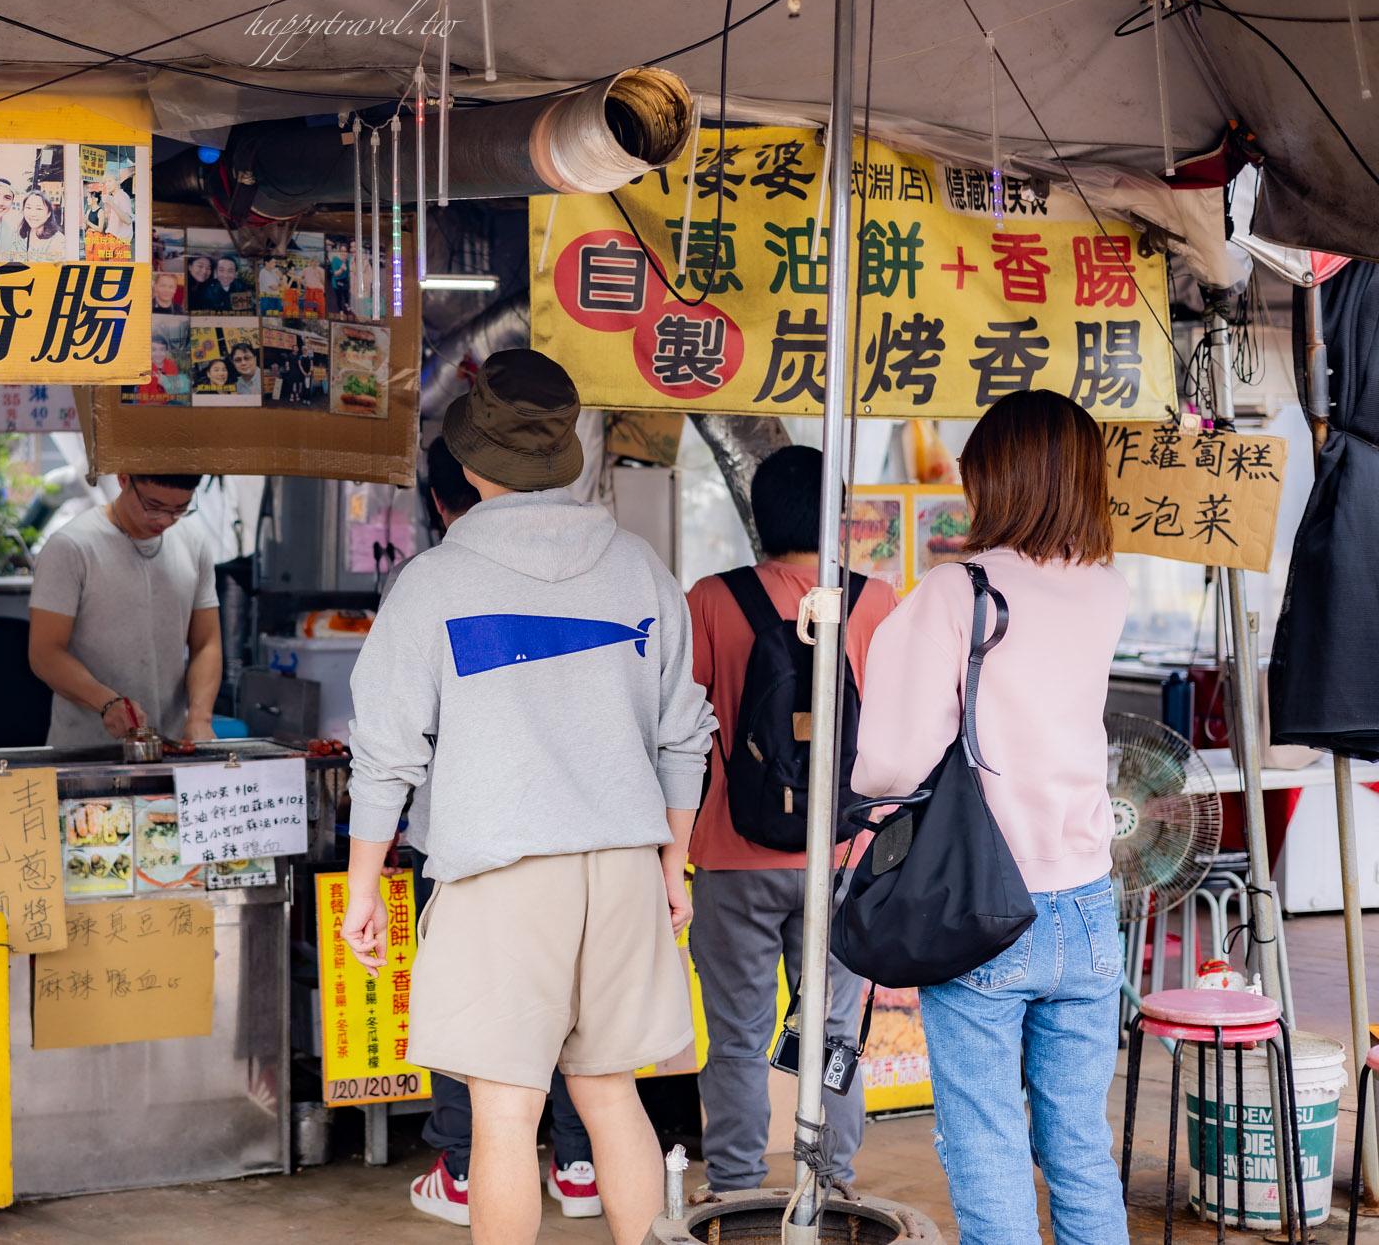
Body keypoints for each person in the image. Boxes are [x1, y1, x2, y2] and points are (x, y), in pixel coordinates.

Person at [342, 349, 715, 1245]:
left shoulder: (432, 583)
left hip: (502, 878)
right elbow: (684, 731)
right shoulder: (640, 570)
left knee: (505, 1116)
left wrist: (363, 885)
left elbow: (385, 751)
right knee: (612, 1093)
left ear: (470, 466)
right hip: (623, 870)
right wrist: (672, 861)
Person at [851, 389, 1129, 1244]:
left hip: (983, 904)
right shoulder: (1105, 589)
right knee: (1078, 1139)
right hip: (1087, 906)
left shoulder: (955, 590)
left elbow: (891, 759)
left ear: (995, 478)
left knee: (987, 1140)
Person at [682, 444, 898, 1194]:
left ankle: (739, 1186)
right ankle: (831, 1181)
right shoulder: (874, 602)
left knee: (738, 1037)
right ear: (837, 520)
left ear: (757, 516)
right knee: (832, 1031)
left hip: (732, 854)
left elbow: (681, 729)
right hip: (841, 860)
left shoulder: (711, 599)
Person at [402, 435, 602, 1229]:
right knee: (594, 1054)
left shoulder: (433, 579)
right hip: (593, 843)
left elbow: (394, 737)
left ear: (449, 499)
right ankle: (580, 1167)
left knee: (482, 1049)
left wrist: (366, 864)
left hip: (476, 844)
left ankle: (457, 1169)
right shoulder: (615, 567)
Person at [28, 474, 221, 747]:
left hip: (172, 747)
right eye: (153, 506)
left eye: (180, 509)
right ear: (123, 479)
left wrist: (200, 717)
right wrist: (106, 702)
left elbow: (206, 643)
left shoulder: (194, 543)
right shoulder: (71, 547)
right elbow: (45, 653)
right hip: (85, 751)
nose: (165, 520)